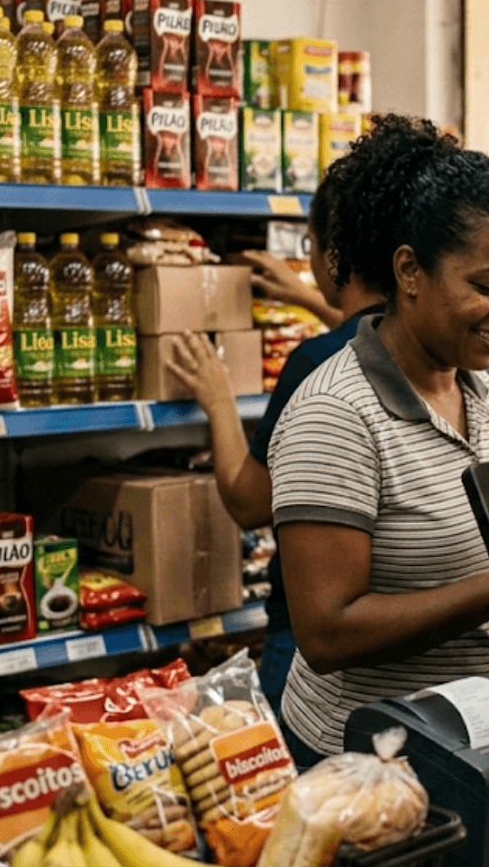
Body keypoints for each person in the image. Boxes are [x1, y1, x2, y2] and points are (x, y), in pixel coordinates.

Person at [265, 114, 489, 766]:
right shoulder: (335, 415)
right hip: (360, 757)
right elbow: (327, 632)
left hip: (464, 732)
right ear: (410, 271)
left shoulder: (474, 385)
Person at [165, 177, 385, 712]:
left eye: (311, 249)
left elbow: (250, 501)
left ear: (332, 255)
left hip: (314, 654)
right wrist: (311, 299)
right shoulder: (423, 352)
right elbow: (369, 337)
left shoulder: (314, 363)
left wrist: (218, 398)